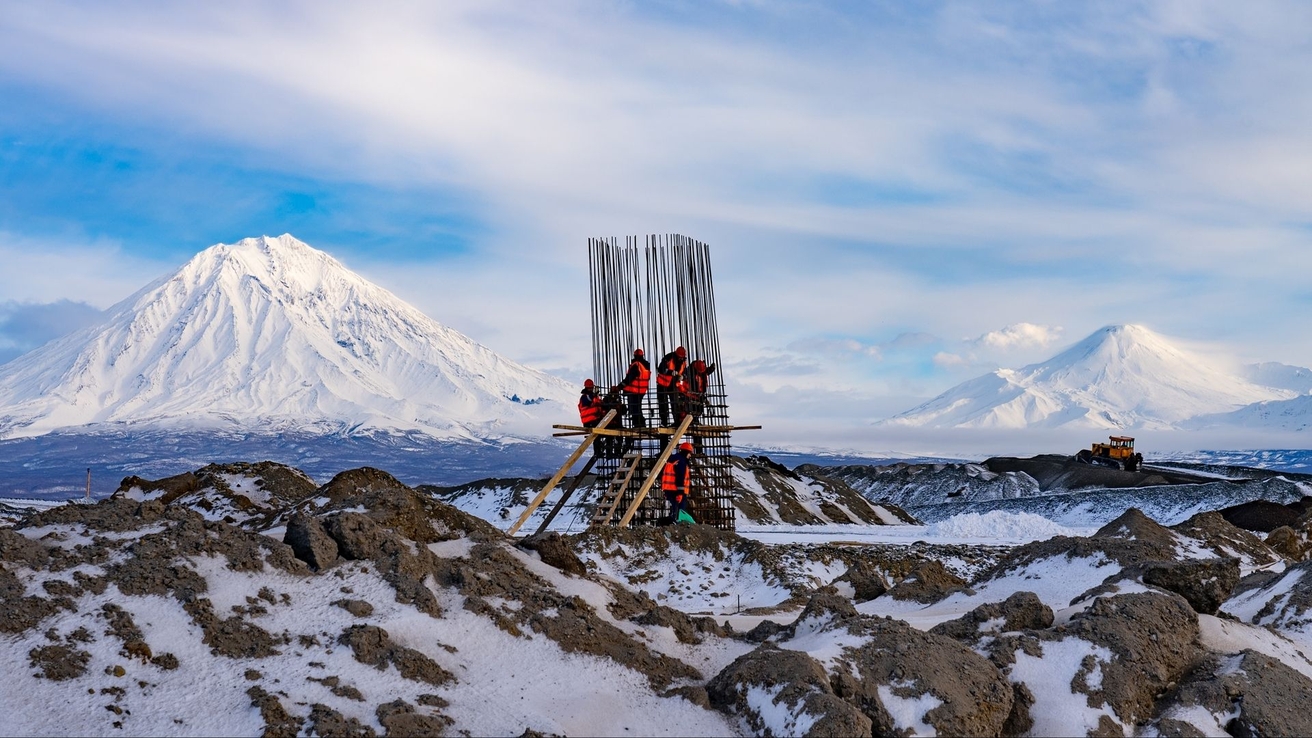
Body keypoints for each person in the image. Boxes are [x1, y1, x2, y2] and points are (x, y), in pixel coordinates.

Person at [661, 441, 695, 525]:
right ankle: (677, 527)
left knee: (674, 509)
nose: (690, 456)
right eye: (690, 453)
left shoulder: (672, 460)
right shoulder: (681, 462)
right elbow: (680, 478)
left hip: (669, 490)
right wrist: (680, 493)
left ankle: (671, 524)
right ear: (686, 452)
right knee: (679, 511)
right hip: (676, 490)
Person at [656, 346, 689, 427]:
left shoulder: (684, 362)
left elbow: (685, 372)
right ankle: (664, 422)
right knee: (663, 404)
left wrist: (683, 376)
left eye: (682, 357)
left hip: (673, 385)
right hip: (662, 384)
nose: (681, 359)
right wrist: (670, 372)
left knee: (675, 404)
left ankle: (677, 421)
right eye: (680, 357)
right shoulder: (668, 358)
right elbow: (661, 369)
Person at [620, 349, 650, 428]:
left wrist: (620, 386)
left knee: (634, 408)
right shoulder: (646, 365)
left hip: (634, 390)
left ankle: (638, 424)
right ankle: (640, 423)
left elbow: (629, 378)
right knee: (637, 407)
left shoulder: (636, 365)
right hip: (642, 390)